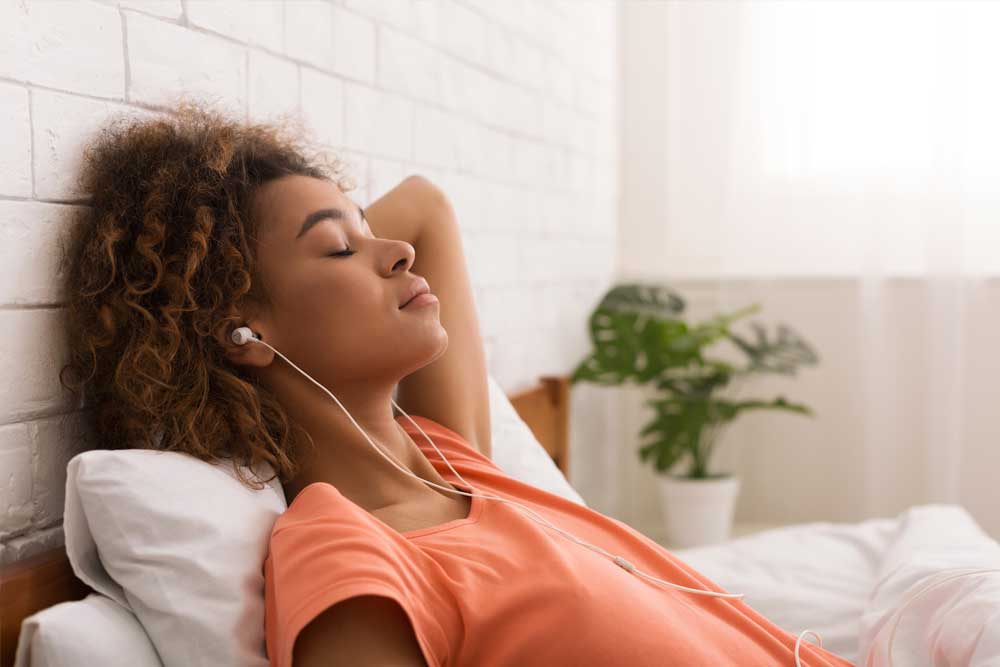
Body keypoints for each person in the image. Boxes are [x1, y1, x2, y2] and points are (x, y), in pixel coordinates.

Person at [59, 100, 855, 667]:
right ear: (245, 330)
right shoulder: (348, 555)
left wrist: (327, 239)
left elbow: (428, 208)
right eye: (340, 248)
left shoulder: (446, 458)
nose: (398, 252)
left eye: (372, 235)